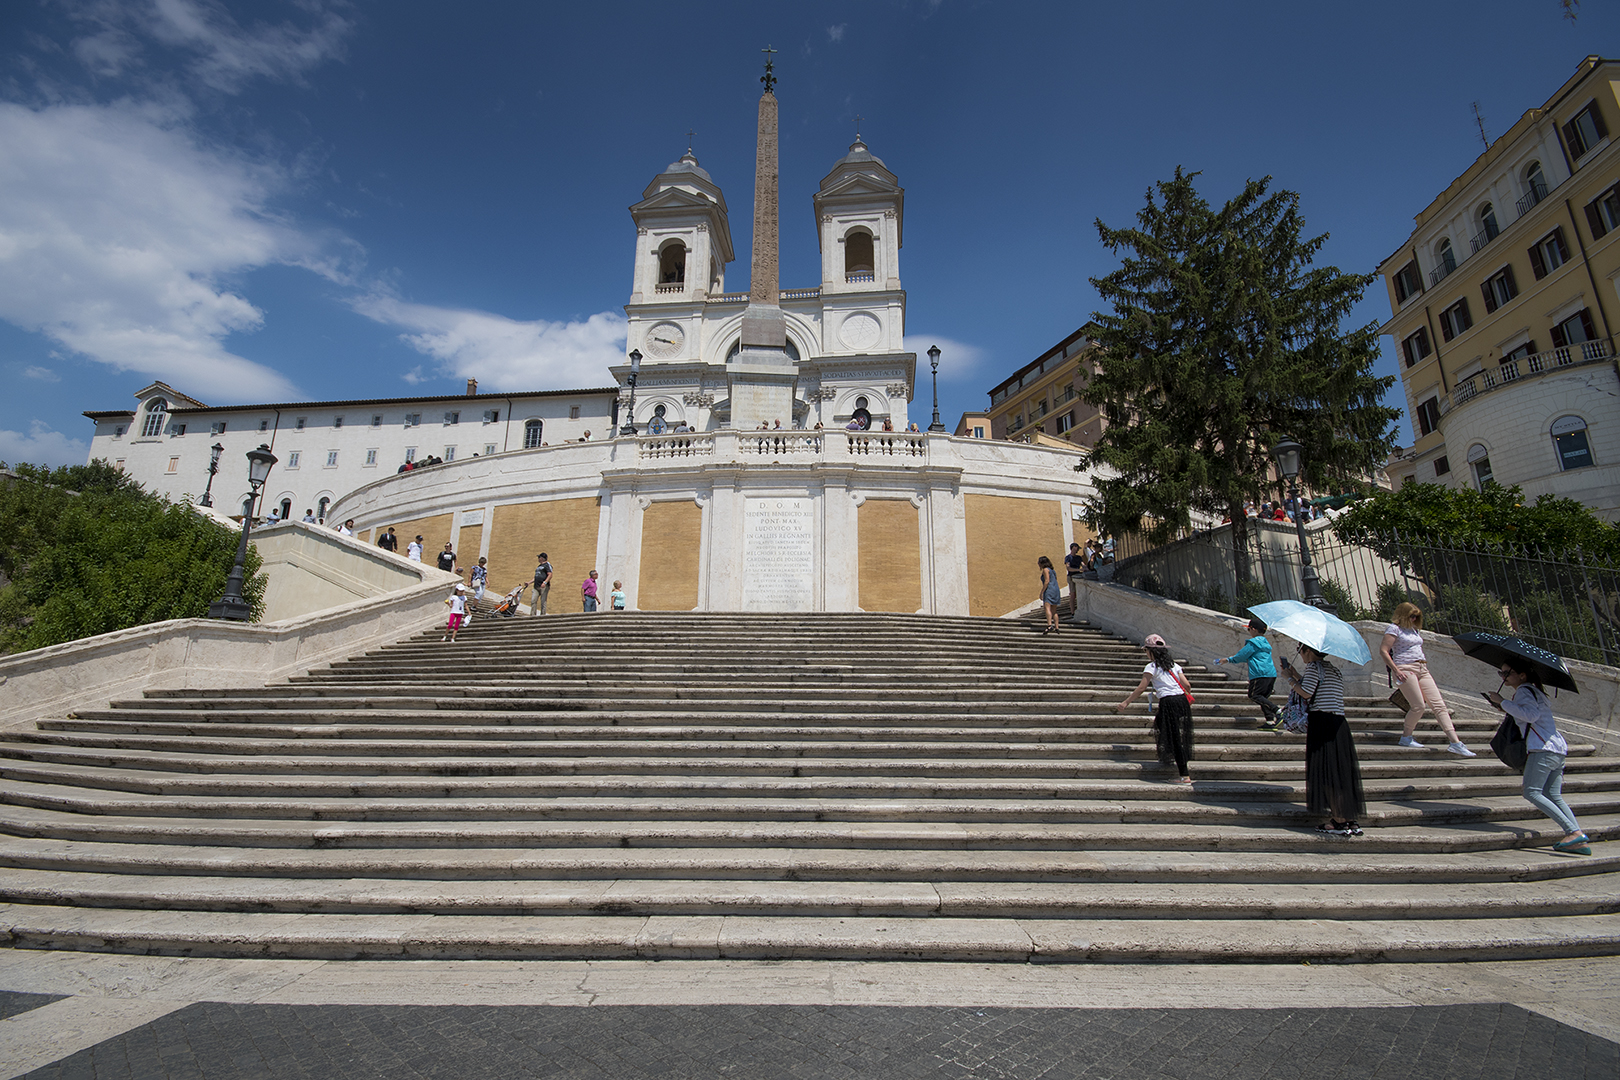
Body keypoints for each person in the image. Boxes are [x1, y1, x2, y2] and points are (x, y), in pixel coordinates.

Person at [1487, 660, 1589, 854]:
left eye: (1507, 673)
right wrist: (1505, 707)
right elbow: (1530, 715)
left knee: (1531, 792)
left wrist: (1503, 701)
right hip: (1556, 749)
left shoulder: (1524, 691)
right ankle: (1578, 839)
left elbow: (1531, 716)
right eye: (1501, 673)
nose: (1503, 677)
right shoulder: (1535, 692)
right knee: (1553, 795)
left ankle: (1574, 833)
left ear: (1522, 675)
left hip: (1542, 748)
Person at [1282, 643, 1366, 836]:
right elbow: (1317, 687)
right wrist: (1296, 675)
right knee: (1340, 771)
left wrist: (1289, 679)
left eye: (1300, 650)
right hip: (1338, 723)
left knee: (1326, 771)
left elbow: (1307, 692)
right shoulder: (1333, 669)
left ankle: (1338, 821)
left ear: (1308, 651)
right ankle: (1348, 818)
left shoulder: (1313, 667)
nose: (1300, 654)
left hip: (1322, 722)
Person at [1381, 602, 1475, 756]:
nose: (1414, 619)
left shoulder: (1414, 629)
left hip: (1422, 668)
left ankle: (1455, 742)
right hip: (1405, 668)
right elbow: (1384, 651)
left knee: (1439, 705)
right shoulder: (1394, 628)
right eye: (1411, 616)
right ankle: (1406, 736)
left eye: (1416, 616)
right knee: (1418, 706)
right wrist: (1396, 670)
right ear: (1403, 614)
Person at [1116, 634, 1194, 784]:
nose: (1146, 653)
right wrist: (1187, 697)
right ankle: (1169, 753)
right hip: (1181, 700)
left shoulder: (1151, 666)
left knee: (1174, 736)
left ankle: (1184, 775)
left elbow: (1142, 687)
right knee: (1162, 724)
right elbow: (1187, 685)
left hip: (1168, 702)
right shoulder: (1174, 665)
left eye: (1146, 650)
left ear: (1151, 651)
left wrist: (1126, 702)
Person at [1215, 616, 1281, 730]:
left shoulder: (1253, 643)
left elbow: (1242, 655)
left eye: (1249, 629)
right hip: (1270, 674)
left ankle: (1277, 711)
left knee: (1254, 695)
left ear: (1253, 629)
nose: (1248, 631)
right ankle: (1270, 721)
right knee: (1263, 698)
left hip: (1259, 674)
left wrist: (1228, 660)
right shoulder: (1266, 643)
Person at [1037, 555, 1061, 635]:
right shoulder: (1052, 570)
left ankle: (1049, 625)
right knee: (1054, 610)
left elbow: (1047, 581)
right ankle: (1057, 627)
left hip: (1049, 590)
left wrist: (1042, 592)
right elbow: (1055, 579)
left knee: (1047, 607)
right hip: (1056, 590)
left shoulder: (1045, 570)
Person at [1063, 543, 1086, 624]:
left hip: (1079, 576)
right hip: (1071, 576)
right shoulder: (1068, 557)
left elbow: (1083, 565)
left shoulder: (1079, 558)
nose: (1078, 550)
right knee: (1073, 594)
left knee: (1079, 593)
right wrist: (1078, 570)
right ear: (1073, 548)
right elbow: (1068, 568)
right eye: (1077, 548)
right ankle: (1072, 612)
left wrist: (1086, 568)